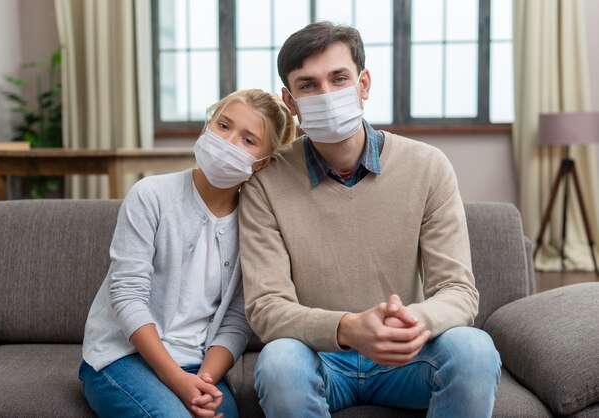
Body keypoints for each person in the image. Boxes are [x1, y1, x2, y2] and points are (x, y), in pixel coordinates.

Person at [239, 22, 501, 417]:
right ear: (290, 102)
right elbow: (266, 306)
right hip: (320, 359)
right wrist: (348, 328)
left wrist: (410, 323)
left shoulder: (428, 167)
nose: (326, 95)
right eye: (308, 85)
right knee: (278, 362)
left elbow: (458, 291)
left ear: (363, 84)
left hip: (407, 357)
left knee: (475, 348)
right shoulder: (266, 182)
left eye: (339, 78)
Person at [79, 89, 296, 418]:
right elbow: (127, 295)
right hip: (122, 357)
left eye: (248, 140)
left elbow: (238, 320)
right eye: (223, 126)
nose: (228, 141)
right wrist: (178, 381)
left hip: (199, 364)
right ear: (208, 125)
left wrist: (203, 381)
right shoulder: (150, 195)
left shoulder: (256, 224)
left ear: (261, 163)